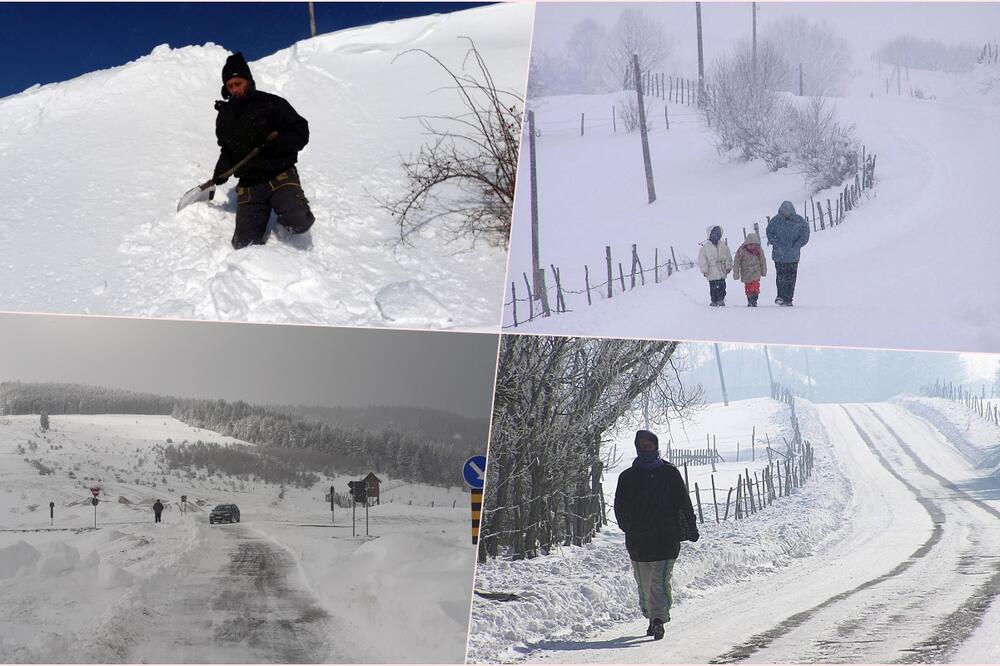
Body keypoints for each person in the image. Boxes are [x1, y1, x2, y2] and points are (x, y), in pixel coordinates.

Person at [213, 52, 315, 250]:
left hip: (280, 175)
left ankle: (291, 203)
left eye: (238, 83)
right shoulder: (225, 117)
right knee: (244, 246)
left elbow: (300, 130)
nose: (235, 89)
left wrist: (277, 145)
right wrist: (221, 171)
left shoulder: (270, 103)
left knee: (300, 223)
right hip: (250, 186)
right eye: (230, 85)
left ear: (248, 81)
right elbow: (226, 149)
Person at [614, 430, 699, 641]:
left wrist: (691, 527)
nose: (646, 449)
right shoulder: (628, 477)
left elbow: (683, 502)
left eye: (649, 445)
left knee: (660, 582)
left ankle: (659, 619)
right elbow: (620, 506)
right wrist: (628, 525)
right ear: (637, 448)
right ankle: (651, 617)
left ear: (656, 446)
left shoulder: (669, 473)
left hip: (666, 539)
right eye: (642, 446)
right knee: (644, 584)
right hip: (639, 541)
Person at [765, 201, 810, 306]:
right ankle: (780, 296)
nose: (786, 214)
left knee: (791, 278)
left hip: (792, 257)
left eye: (787, 212)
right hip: (779, 256)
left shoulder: (799, 221)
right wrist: (776, 243)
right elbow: (769, 232)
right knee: (780, 277)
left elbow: (805, 235)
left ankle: (789, 298)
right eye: (784, 211)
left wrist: (797, 245)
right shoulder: (775, 221)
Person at [697, 226, 733, 306]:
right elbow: (702, 260)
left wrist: (728, 266)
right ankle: (714, 301)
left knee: (722, 287)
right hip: (711, 272)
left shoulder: (723, 245)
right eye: (714, 235)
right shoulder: (705, 248)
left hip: (721, 271)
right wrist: (704, 270)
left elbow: (728, 256)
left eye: (717, 235)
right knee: (713, 288)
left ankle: (721, 300)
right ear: (710, 235)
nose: (716, 237)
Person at [732, 231, 768, 307]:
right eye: (750, 245)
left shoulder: (759, 251)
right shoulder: (741, 251)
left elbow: (763, 261)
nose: (752, 247)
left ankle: (754, 299)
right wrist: (736, 274)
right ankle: (749, 298)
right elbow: (736, 263)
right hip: (746, 272)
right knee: (748, 287)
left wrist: (763, 271)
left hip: (756, 271)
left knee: (755, 286)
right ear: (747, 244)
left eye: (754, 245)